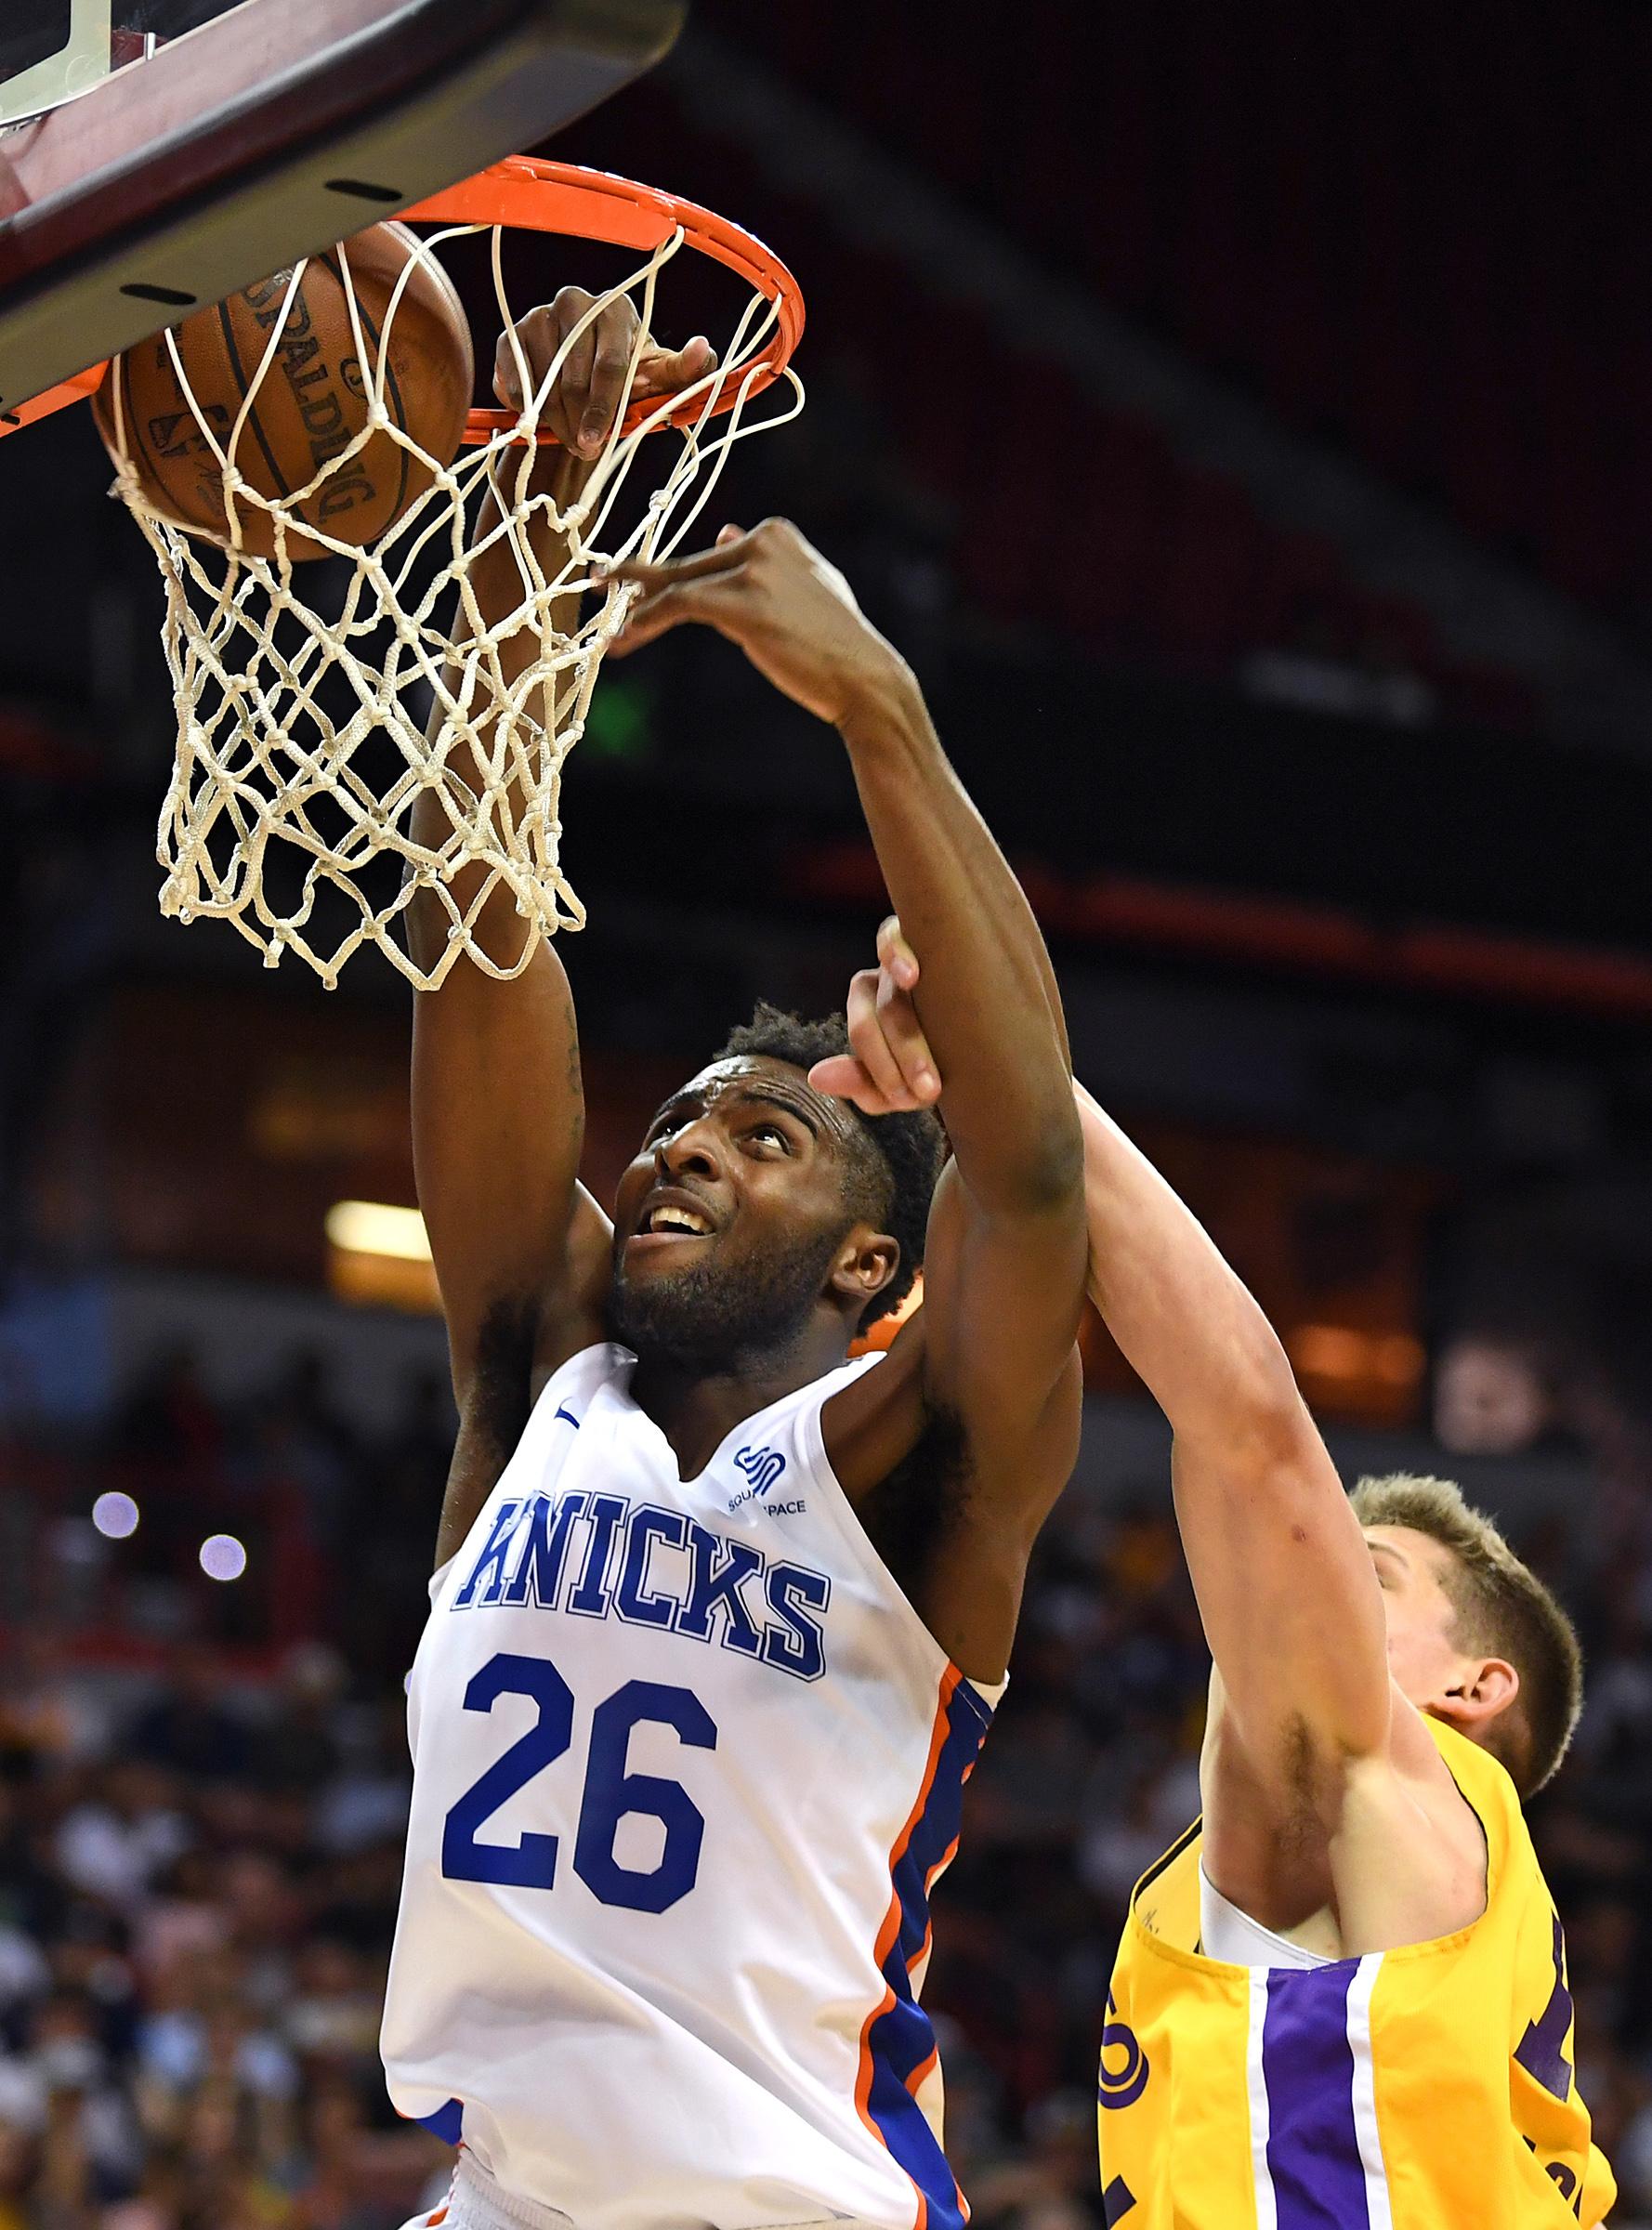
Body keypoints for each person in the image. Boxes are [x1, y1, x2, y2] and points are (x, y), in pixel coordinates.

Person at [380, 293, 1090, 2230]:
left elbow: (1030, 1185)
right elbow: (479, 936)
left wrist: (880, 708)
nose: (683, 1143)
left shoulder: (917, 1478)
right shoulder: (541, 1380)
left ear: (877, 1267)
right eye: (681, 1120)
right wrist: (513, 633)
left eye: (762, 1138)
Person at [830, 921, 1615, 2229]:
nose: (1302, 1577)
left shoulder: (1423, 1790)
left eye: (1361, 1574)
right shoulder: (1305, 1863)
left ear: (1472, 1687)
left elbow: (1250, 1435)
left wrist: (1003, 1060)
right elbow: (1231, 1450)